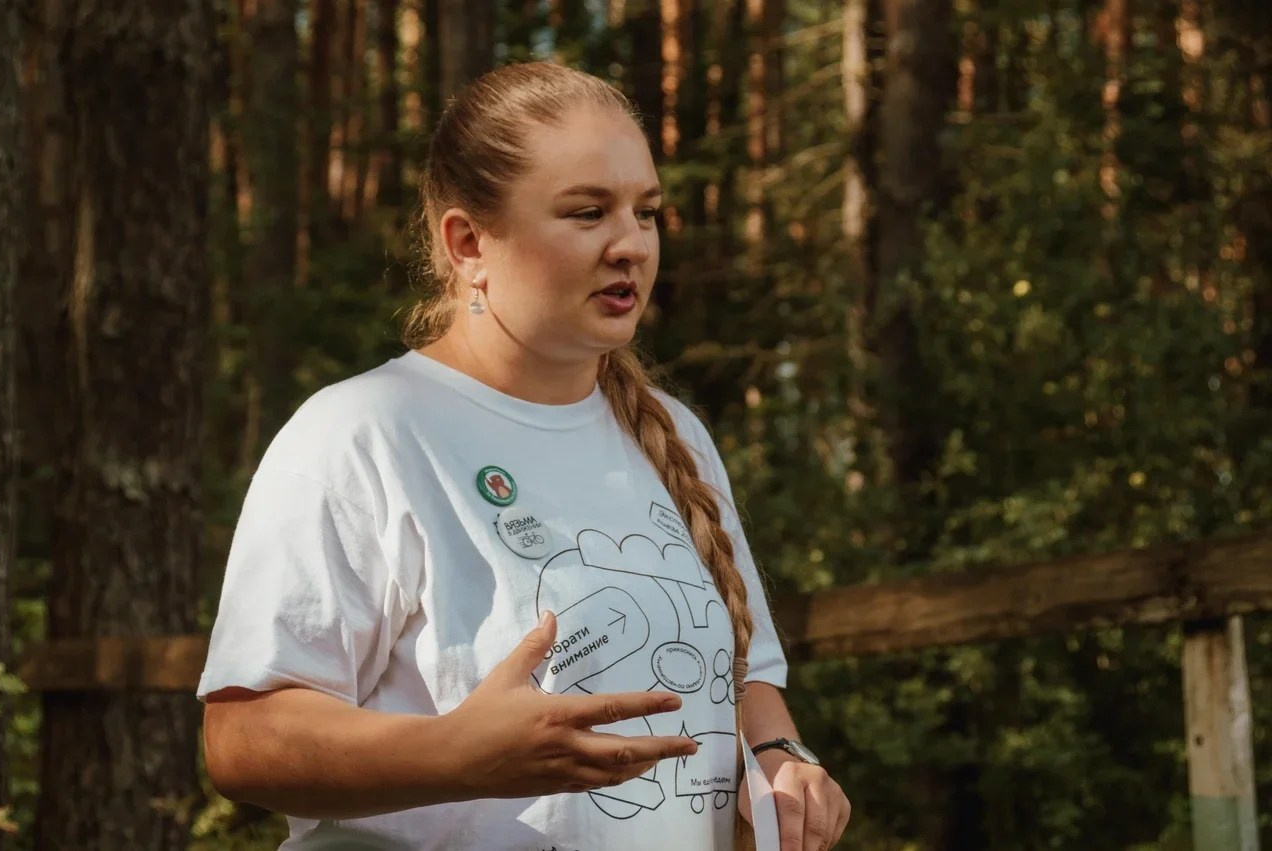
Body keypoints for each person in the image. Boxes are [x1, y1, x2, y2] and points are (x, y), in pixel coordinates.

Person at [199, 61, 850, 851]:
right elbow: (240, 739)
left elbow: (744, 681)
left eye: (646, 213)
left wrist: (783, 761)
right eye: (587, 213)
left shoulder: (675, 434)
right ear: (469, 241)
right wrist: (456, 755)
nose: (631, 245)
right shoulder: (361, 433)